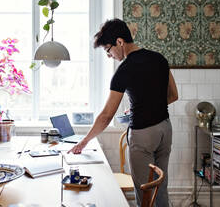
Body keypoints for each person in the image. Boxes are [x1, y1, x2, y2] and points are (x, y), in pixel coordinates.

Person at [68, 18, 178, 207]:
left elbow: (106, 116)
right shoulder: (159, 58)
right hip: (165, 130)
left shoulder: (124, 70)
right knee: (160, 186)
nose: (109, 55)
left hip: (143, 135)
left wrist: (84, 141)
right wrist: (148, 105)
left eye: (108, 49)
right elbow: (173, 95)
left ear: (120, 42)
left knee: (144, 191)